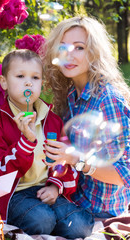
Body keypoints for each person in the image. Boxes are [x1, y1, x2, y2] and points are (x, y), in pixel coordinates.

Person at [0, 49, 94, 238]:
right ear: (4, 82)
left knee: (81, 225)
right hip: (14, 196)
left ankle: (49, 225)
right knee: (42, 219)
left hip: (45, 190)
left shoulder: (53, 120)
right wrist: (26, 142)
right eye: (20, 76)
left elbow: (63, 161)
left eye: (35, 77)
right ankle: (43, 224)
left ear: (42, 83)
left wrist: (56, 187)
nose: (28, 82)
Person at [42, 15, 130, 220]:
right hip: (74, 196)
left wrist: (74, 158)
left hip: (97, 210)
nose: (69, 55)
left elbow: (124, 175)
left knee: (33, 217)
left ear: (94, 53)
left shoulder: (107, 100)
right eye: (62, 47)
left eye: (79, 47)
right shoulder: (73, 96)